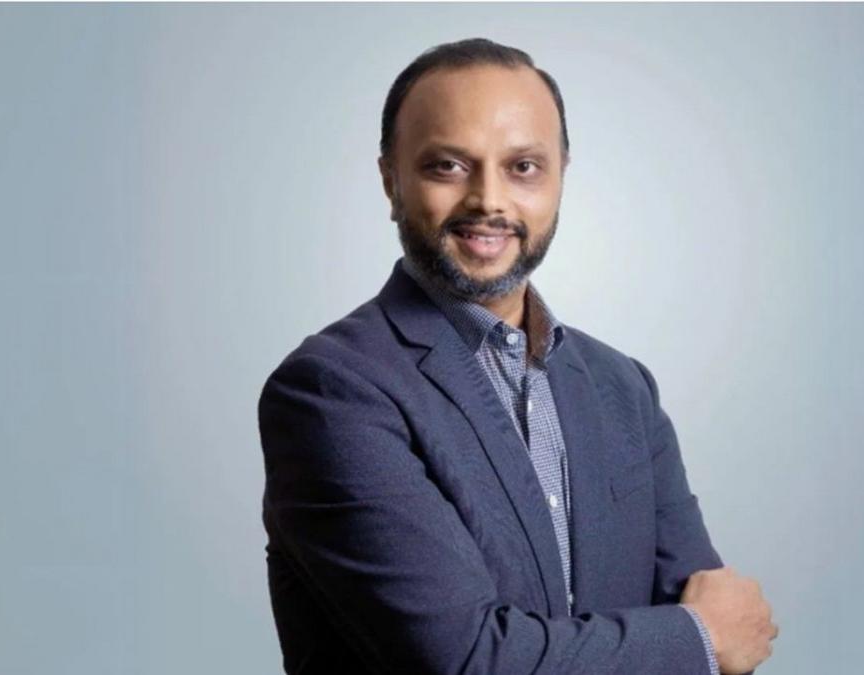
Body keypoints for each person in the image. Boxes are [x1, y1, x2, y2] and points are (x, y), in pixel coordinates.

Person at [258, 37, 777, 674]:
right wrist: (694, 639)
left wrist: (701, 638)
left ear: (561, 177)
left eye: (523, 167)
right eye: (448, 166)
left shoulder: (623, 388)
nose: (489, 200)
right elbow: (468, 661)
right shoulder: (331, 391)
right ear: (391, 180)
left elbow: (719, 631)